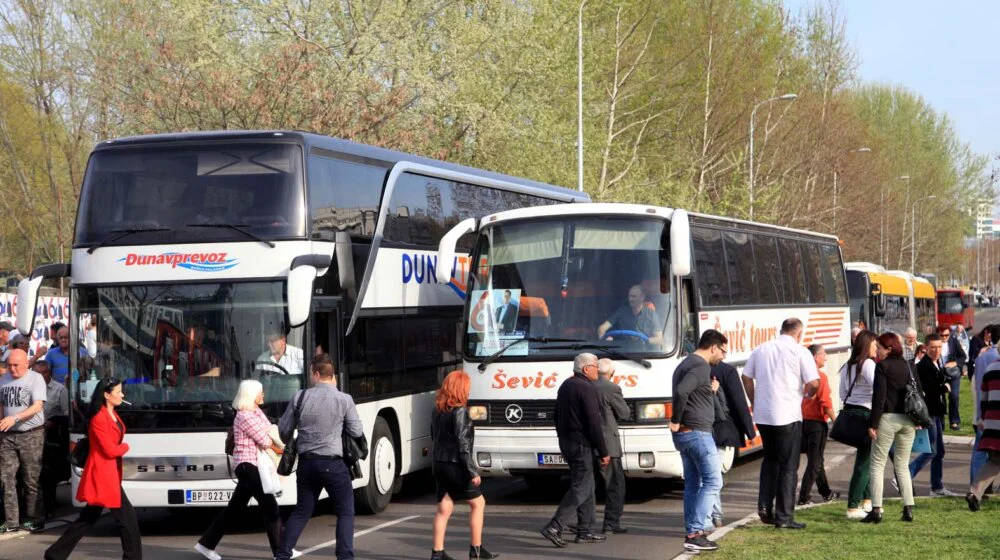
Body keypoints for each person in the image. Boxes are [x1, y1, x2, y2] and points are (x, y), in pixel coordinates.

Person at [276, 354, 363, 560]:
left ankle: (282, 554)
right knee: (345, 511)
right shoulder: (344, 399)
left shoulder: (300, 397)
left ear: (316, 374)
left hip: (307, 464)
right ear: (331, 375)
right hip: (333, 464)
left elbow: (284, 430)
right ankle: (344, 556)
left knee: (302, 510)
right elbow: (357, 431)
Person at [44, 376, 142, 560]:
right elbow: (110, 450)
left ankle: (55, 554)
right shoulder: (99, 419)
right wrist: (125, 447)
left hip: (109, 473)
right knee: (128, 520)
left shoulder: (112, 414)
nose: (122, 394)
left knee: (87, 519)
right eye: (118, 391)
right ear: (106, 395)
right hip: (103, 475)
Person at [742, 319, 820, 529]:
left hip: (764, 414)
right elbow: (813, 382)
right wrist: (808, 395)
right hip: (788, 414)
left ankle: (765, 506)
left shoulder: (761, 349)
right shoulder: (800, 351)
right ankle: (784, 516)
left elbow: (746, 376)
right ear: (799, 334)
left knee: (770, 460)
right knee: (788, 466)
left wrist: (754, 400)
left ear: (781, 331)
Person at [195, 380, 285, 560]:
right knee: (270, 506)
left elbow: (268, 428)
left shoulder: (255, 411)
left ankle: (206, 544)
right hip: (247, 466)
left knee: (233, 509)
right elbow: (264, 439)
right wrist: (279, 448)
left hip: (251, 466)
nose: (263, 395)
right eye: (260, 392)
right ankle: (281, 552)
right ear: (251, 395)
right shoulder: (245, 416)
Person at [540, 353, 609, 548]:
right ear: (586, 369)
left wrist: (562, 437)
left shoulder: (566, 385)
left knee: (587, 484)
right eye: (596, 366)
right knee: (581, 487)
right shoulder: (587, 388)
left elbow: (556, 415)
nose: (599, 369)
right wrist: (603, 451)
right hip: (581, 444)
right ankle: (555, 525)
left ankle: (585, 530)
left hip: (567, 441)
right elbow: (593, 423)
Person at [429, 371, 499, 560]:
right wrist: (472, 471)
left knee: (444, 507)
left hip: (439, 463)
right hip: (456, 466)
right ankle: (475, 550)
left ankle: (437, 553)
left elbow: (433, 436)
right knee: (478, 504)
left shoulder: (437, 410)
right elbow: (463, 444)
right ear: (462, 389)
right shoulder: (460, 411)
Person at [672, 330, 727, 552]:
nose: (723, 356)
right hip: (697, 433)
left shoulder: (686, 363)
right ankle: (696, 532)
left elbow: (685, 391)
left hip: (686, 434)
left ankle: (693, 531)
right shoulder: (700, 365)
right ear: (713, 347)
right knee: (714, 482)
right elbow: (682, 390)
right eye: (723, 351)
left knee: (693, 485)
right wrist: (675, 419)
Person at [865, 332, 922, 523]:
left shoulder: (882, 366)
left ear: (889, 349)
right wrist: (919, 419)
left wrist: (873, 424)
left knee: (877, 465)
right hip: (908, 420)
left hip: (888, 418)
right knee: (902, 465)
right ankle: (908, 508)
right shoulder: (907, 364)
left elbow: (879, 397)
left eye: (879, 348)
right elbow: (918, 391)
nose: (877, 352)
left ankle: (876, 510)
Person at [0, 349, 47, 532]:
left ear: (26, 363)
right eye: (9, 365)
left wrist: (16, 418)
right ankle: (11, 521)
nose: (12, 369)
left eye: (16, 365)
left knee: (31, 478)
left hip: (31, 434)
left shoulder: (36, 378)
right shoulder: (3, 380)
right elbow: (2, 405)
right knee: (6, 478)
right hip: (8, 436)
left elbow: (37, 406)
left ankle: (34, 517)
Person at [708, 359, 755, 528]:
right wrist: (750, 430)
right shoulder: (726, 371)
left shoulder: (690, 367)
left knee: (703, 476)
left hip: (697, 429)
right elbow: (738, 402)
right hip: (722, 430)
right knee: (713, 475)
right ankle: (715, 516)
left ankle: (708, 517)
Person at [909, 334, 958, 496]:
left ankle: (936, 487)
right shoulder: (924, 366)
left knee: (939, 451)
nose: (936, 350)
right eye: (933, 348)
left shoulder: (936, 363)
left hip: (936, 412)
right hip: (929, 412)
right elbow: (928, 391)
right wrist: (945, 387)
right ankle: (905, 475)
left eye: (939, 347)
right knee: (932, 450)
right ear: (926, 348)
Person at [840, 330, 878, 519]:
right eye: (874, 345)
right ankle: (853, 506)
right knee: (865, 462)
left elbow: (841, 393)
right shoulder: (868, 364)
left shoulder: (848, 366)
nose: (877, 348)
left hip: (851, 412)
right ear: (866, 346)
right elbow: (878, 388)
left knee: (866, 458)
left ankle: (867, 500)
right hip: (865, 414)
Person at [798, 345, 839, 505]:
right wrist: (836, 420)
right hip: (817, 423)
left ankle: (826, 492)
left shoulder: (802, 376)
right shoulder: (819, 377)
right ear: (815, 357)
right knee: (815, 462)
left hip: (804, 421)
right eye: (823, 354)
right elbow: (825, 402)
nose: (826, 357)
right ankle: (804, 497)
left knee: (817, 460)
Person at [593, 358, 630, 535]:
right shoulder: (612, 388)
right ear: (612, 373)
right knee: (615, 485)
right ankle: (611, 522)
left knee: (587, 486)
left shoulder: (585, 385)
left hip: (588, 443)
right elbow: (624, 413)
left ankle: (582, 522)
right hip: (609, 444)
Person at [966, 357, 1000, 511]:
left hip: (993, 422)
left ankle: (974, 493)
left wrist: (983, 418)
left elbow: (984, 399)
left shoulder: (991, 368)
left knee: (994, 461)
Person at [36, 360, 69, 517]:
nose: (42, 376)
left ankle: (49, 506)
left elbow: (66, 414)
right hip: (29, 433)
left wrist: (53, 422)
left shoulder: (59, 390)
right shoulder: (29, 387)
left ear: (50, 372)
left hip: (51, 436)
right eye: (39, 373)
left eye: (45, 372)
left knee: (48, 473)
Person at [971, 324, 1000, 484]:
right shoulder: (994, 359)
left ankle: (975, 487)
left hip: (985, 413)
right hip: (993, 413)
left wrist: (979, 417)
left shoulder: (983, 358)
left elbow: (978, 387)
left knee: (981, 453)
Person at [596, 285, 663, 345]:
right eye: (629, 296)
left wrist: (645, 341)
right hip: (623, 351)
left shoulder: (651, 314)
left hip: (645, 352)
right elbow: (601, 328)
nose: (630, 299)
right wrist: (604, 338)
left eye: (634, 296)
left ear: (642, 297)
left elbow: (659, 339)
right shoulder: (621, 312)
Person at [939, 325, 967, 430]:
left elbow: (963, 356)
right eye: (942, 335)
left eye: (947, 335)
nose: (944, 337)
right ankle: (940, 422)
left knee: (954, 396)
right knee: (940, 398)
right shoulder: (934, 342)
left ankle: (954, 421)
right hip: (939, 372)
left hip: (953, 372)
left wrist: (954, 363)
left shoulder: (954, 341)